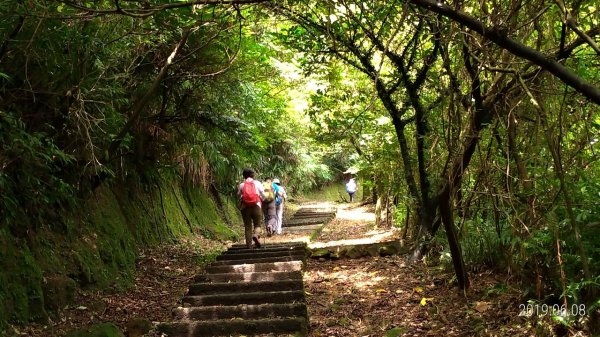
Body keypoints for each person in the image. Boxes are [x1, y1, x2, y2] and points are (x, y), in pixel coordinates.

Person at [238, 168, 265, 248]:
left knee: (247, 226)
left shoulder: (242, 185)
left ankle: (249, 246)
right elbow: (263, 195)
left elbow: (238, 195)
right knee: (257, 225)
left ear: (244, 176)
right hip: (256, 206)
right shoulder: (258, 183)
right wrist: (261, 200)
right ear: (253, 175)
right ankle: (256, 235)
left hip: (245, 207)